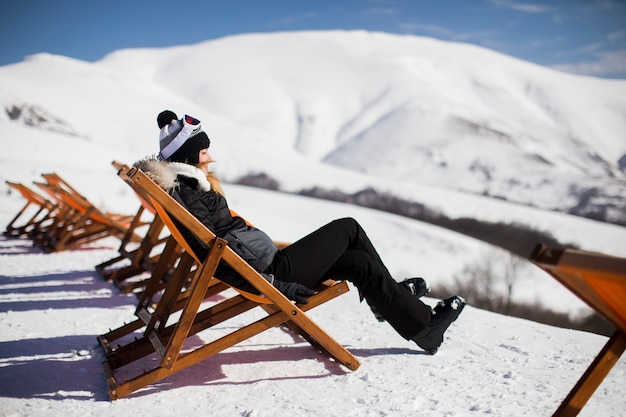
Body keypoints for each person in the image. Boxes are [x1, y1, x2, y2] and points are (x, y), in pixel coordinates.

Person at [137, 110, 465, 355]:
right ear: (188, 156)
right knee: (348, 227)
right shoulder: (190, 194)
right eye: (203, 152)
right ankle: (400, 306)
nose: (210, 157)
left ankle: (421, 327)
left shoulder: (188, 188)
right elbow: (216, 257)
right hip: (272, 271)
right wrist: (275, 285)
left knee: (358, 263)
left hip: (270, 262)